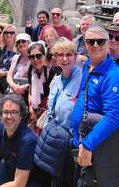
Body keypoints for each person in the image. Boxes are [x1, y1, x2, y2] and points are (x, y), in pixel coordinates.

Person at [70, 26, 119, 186]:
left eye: (100, 41)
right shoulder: (87, 66)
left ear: (108, 43)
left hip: (95, 147)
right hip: (81, 143)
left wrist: (88, 144)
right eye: (90, 41)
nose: (95, 45)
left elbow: (113, 118)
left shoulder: (112, 75)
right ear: (85, 44)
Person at [34, 38, 82, 186]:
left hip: (70, 141)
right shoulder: (57, 79)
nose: (65, 58)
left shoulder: (83, 78)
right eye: (60, 55)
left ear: (75, 56)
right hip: (53, 137)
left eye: (69, 54)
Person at [27, 42, 55, 131]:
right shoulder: (31, 70)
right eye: (32, 57)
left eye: (38, 56)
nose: (35, 59)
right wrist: (31, 108)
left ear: (44, 55)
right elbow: (30, 91)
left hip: (47, 108)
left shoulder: (51, 71)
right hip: (35, 106)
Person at [0, 24, 16, 93]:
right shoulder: (1, 48)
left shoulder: (18, 49)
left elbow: (18, 70)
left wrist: (3, 73)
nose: (8, 35)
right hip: (0, 80)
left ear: (15, 34)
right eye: (6, 32)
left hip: (13, 82)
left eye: (11, 33)